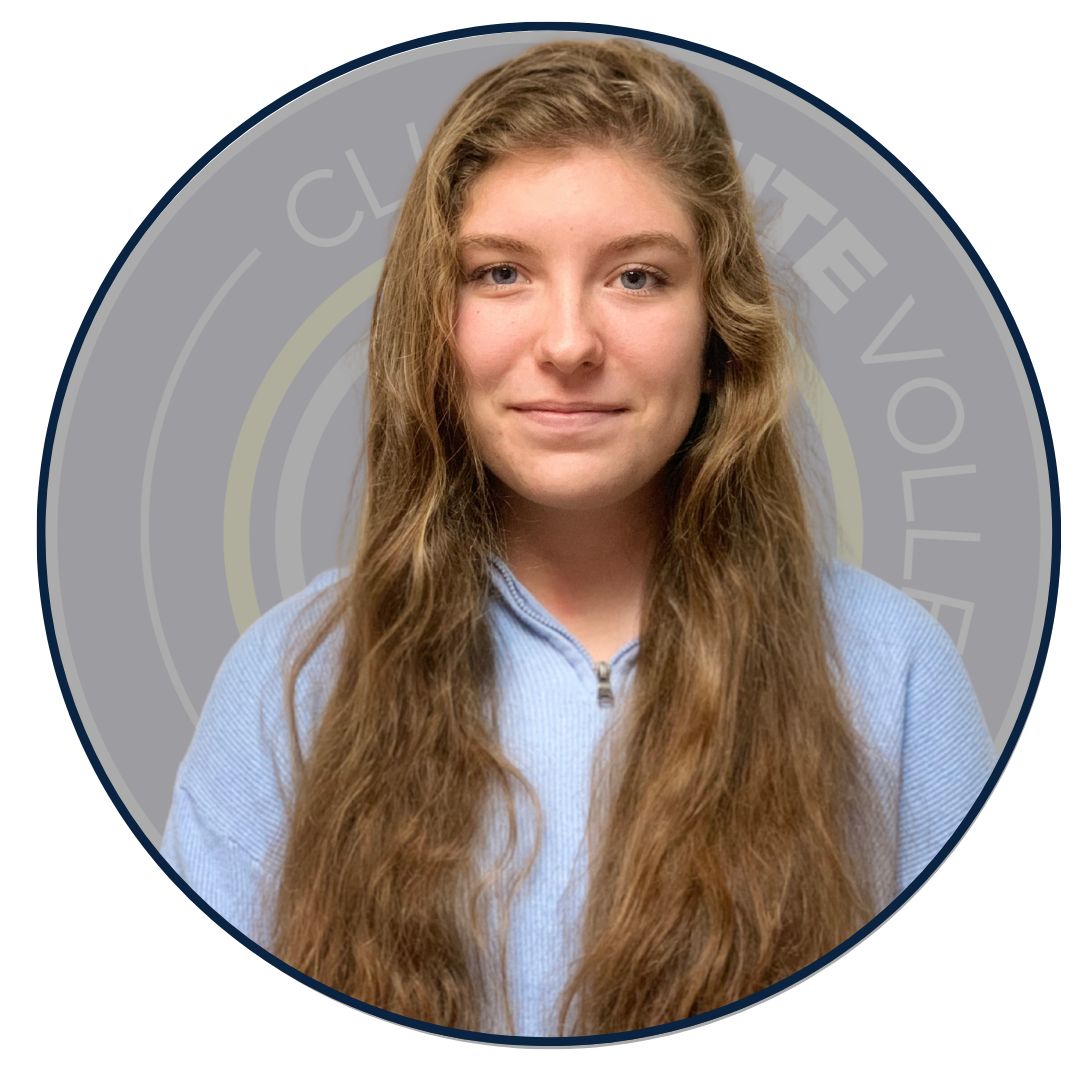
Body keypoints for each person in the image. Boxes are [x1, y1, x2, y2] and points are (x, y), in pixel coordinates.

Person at [162, 39, 996, 1038]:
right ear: (433, 327)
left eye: (637, 277)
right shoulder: (288, 683)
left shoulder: (894, 671)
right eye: (501, 273)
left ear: (719, 331)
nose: (567, 343)